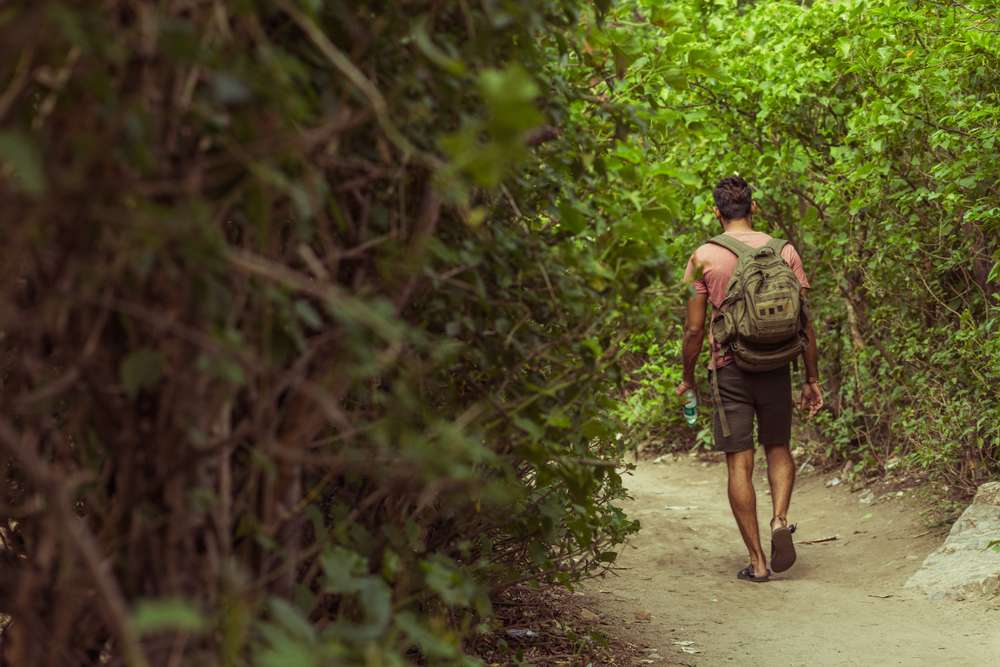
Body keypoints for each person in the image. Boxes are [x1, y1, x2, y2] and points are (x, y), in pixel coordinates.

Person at [676, 175, 823, 583]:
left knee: (739, 462)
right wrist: (812, 378)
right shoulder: (784, 250)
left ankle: (758, 562)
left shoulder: (703, 257)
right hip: (777, 366)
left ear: (716, 212)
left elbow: (693, 329)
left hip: (730, 369)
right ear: (753, 207)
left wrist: (688, 378)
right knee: (778, 446)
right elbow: (805, 323)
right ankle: (780, 519)